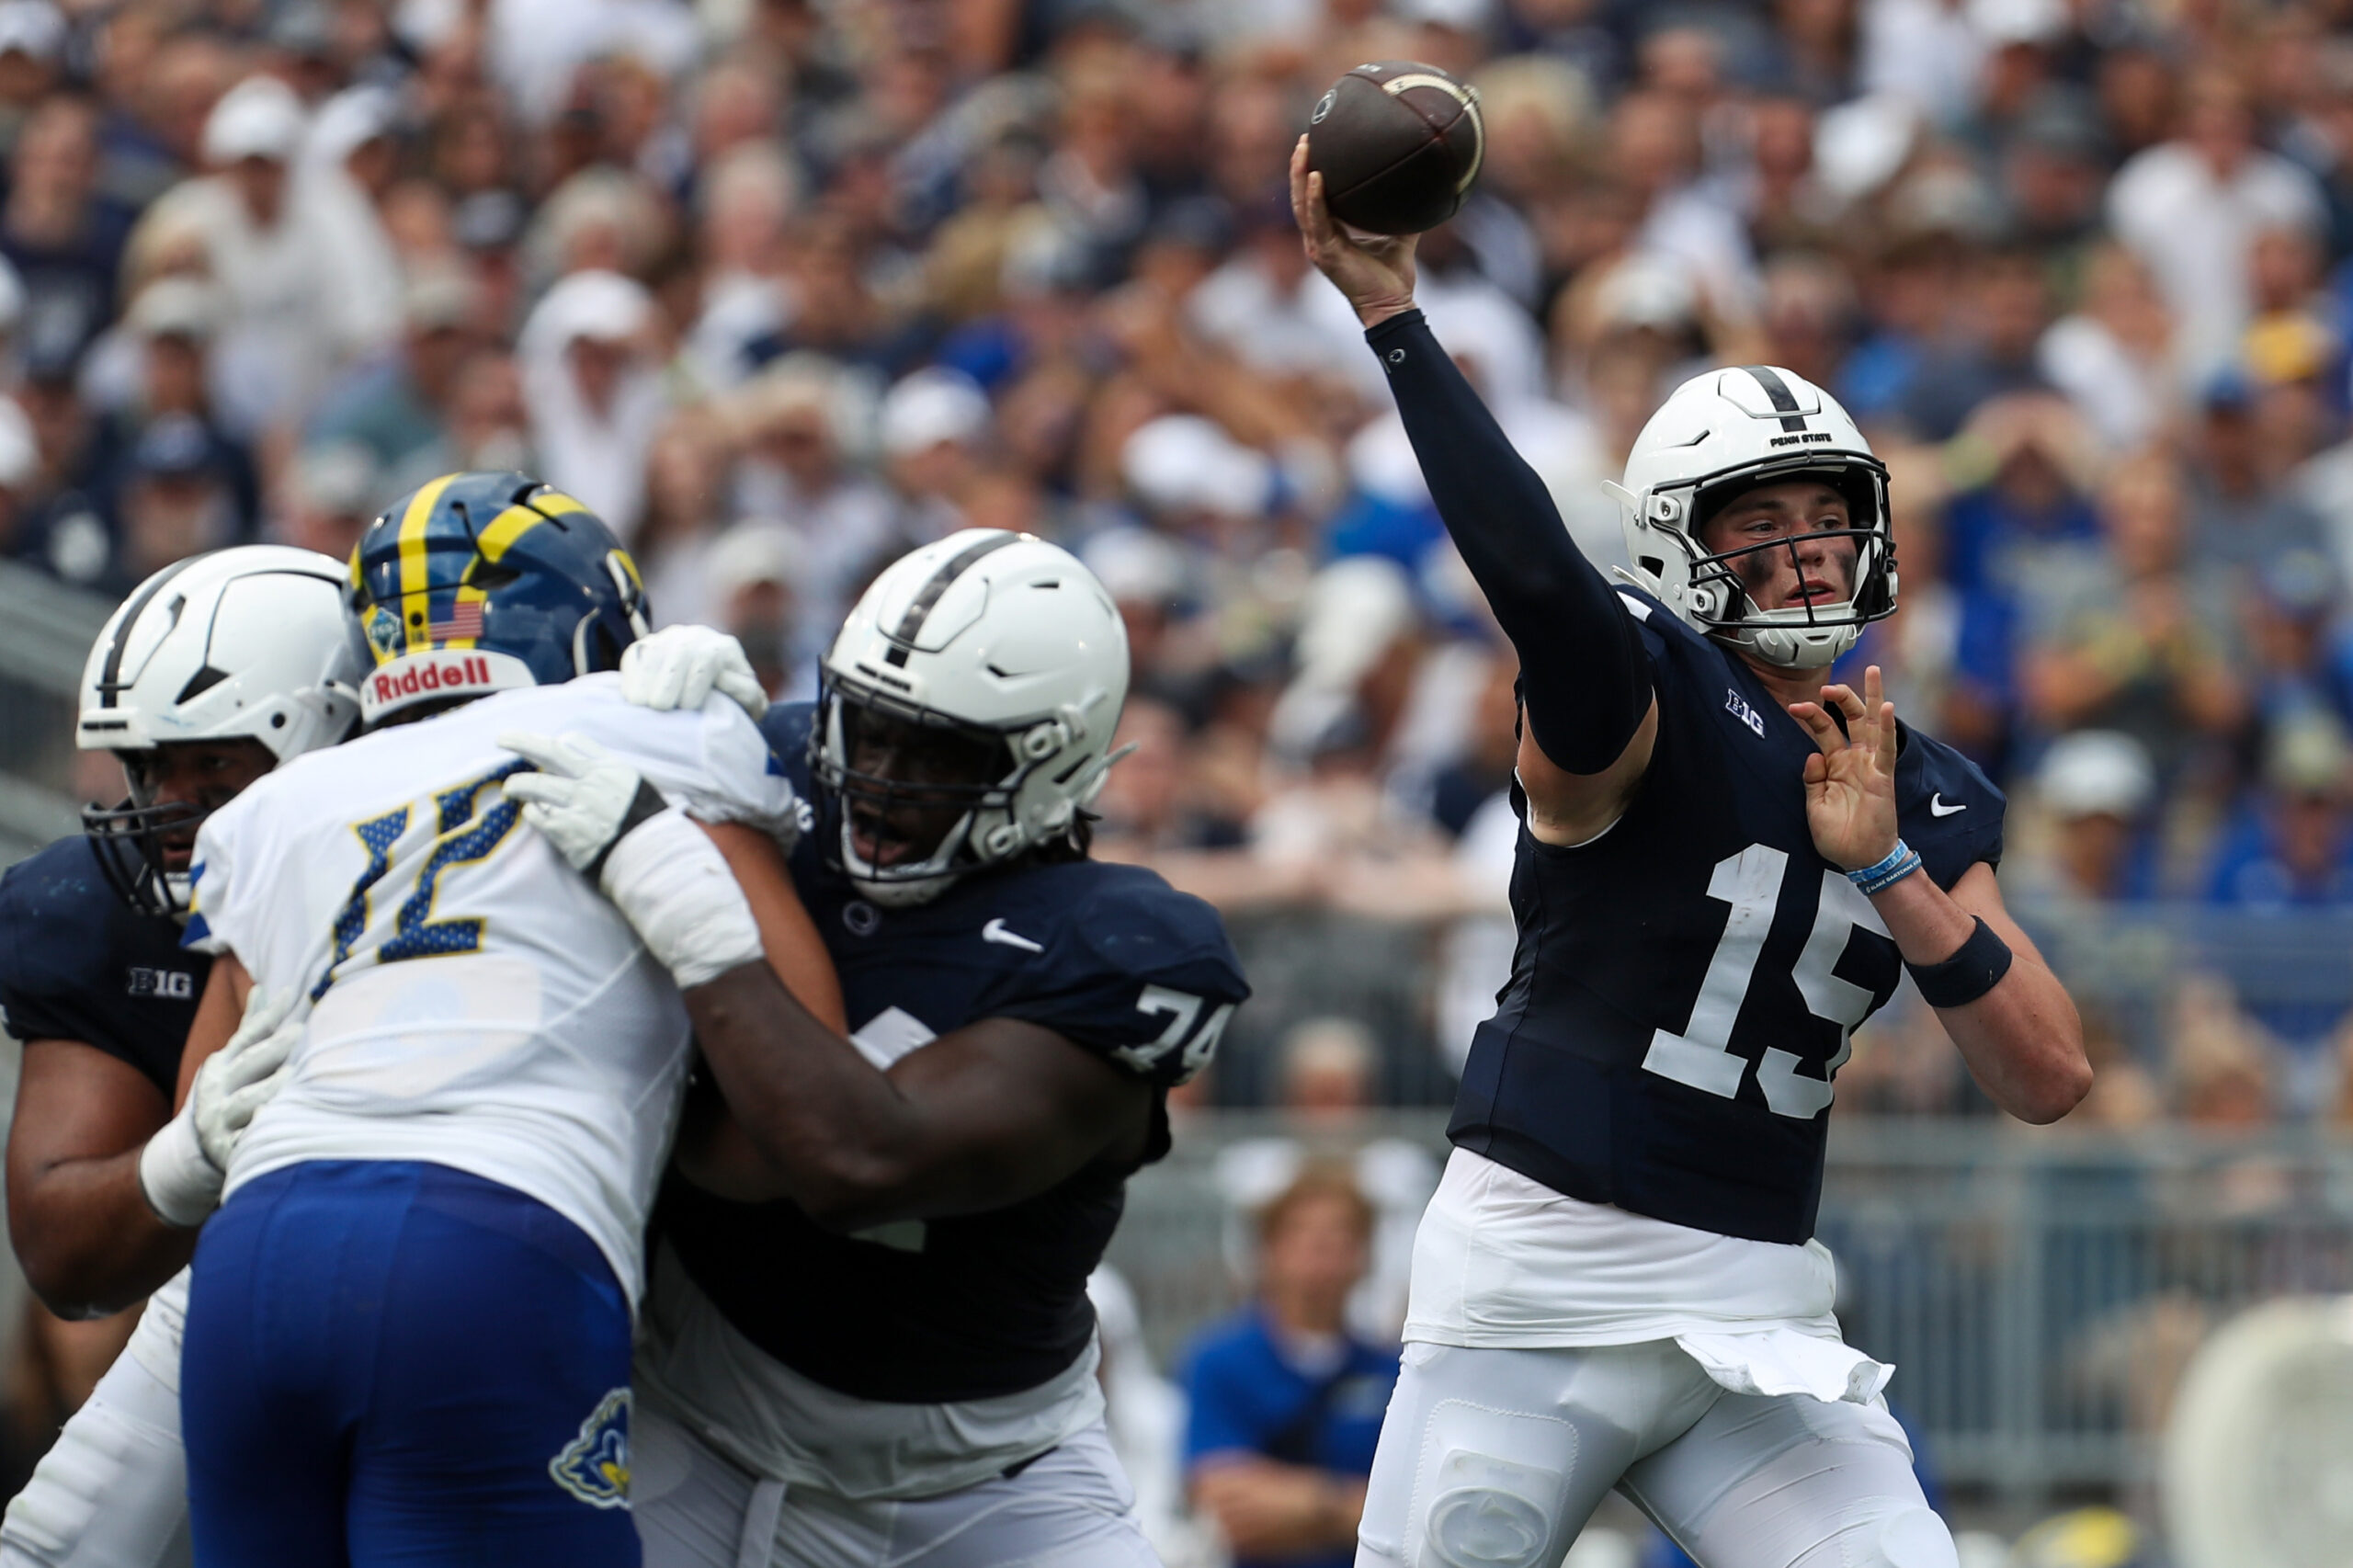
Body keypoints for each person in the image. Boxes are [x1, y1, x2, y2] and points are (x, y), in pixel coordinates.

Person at [1289, 139, 2089, 1568]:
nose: (1805, 553)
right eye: (1760, 522)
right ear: (1676, 543)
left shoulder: (1928, 784)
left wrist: (1890, 866)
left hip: (1761, 1307)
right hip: (1539, 1275)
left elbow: (2048, 1073)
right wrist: (1392, 318)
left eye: (1828, 517)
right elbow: (1536, 573)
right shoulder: (1644, 690)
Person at [502, 528, 1251, 1568]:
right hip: (692, 1422)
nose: (884, 779)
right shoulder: (781, 765)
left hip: (985, 1482)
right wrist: (640, 724)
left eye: (940, 752)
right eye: (870, 726)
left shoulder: (1116, 942)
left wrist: (676, 887)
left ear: (1056, 754)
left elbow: (859, 1164)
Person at [166, 472, 843, 1567]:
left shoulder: (274, 809)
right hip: (492, 1239)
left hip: (257, 1259)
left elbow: (208, 1108)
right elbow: (807, 1065)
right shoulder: (657, 728)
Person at [0, 544, 364, 1568]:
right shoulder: (99, 915)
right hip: (213, 1328)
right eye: (150, 765)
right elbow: (64, 1252)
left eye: (211, 763)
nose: (168, 805)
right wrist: (185, 1157)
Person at [1182, 1165, 1400, 1568]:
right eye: (1302, 1234)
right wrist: (1353, 1507)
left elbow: (1415, 1511)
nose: (1323, 1251)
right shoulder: (1219, 1360)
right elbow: (1225, 1502)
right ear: (1267, 1250)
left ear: (1365, 1255)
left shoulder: (1394, 1371)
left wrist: (1295, 1504)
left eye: (1343, 1236)